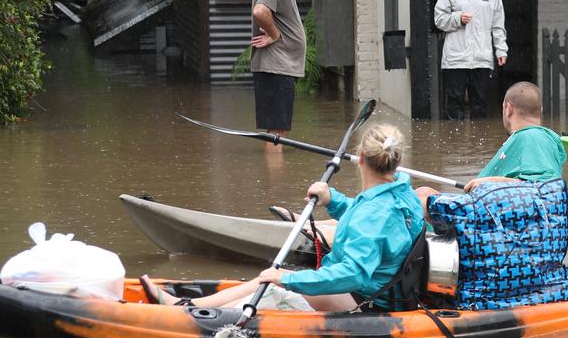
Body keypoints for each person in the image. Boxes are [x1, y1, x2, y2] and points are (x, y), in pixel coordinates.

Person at [141, 124, 426, 312]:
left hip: (366, 299)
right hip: (380, 289)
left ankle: (191, 312)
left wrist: (289, 281)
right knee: (265, 280)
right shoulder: (403, 192)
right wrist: (334, 201)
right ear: (395, 160)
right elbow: (373, 222)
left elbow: (353, 273)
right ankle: (188, 304)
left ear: (360, 158)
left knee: (275, 286)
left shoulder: (373, 214)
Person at [433, 0, 507, 120]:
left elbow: (498, 23)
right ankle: (454, 143)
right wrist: (457, 18)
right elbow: (439, 19)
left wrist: (501, 50)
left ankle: (479, 144)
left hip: (482, 57)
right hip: (456, 58)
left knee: (480, 105)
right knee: (454, 104)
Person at [251, 0, 307, 155]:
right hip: (276, 68)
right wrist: (274, 34)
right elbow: (260, 11)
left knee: (277, 131)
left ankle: (273, 182)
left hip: (276, 68)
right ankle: (275, 186)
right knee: (277, 133)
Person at [462, 81, 565, 191]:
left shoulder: (530, 137)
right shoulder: (549, 139)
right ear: (541, 110)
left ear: (508, 109)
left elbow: (542, 186)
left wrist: (488, 183)